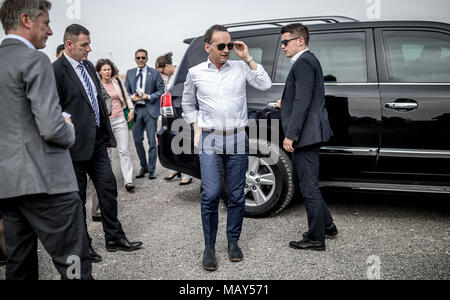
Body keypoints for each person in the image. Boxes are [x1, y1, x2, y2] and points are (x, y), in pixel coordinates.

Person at [0, 0, 92, 279]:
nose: (50, 31)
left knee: (19, 262)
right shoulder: (34, 60)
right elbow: (52, 128)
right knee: (73, 261)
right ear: (27, 20)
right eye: (47, 23)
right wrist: (69, 127)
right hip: (47, 182)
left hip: (7, 184)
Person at [182, 25, 272, 271]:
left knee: (235, 194)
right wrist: (196, 127)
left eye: (229, 45)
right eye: (221, 46)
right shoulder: (195, 72)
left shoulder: (241, 67)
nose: (226, 50)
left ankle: (233, 241)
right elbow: (187, 102)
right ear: (207, 46)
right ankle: (209, 247)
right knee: (210, 194)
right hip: (210, 139)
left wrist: (248, 57)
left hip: (237, 138)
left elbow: (265, 84)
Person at [53, 24, 143, 263]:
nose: (89, 49)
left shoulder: (88, 68)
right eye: (84, 45)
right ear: (69, 44)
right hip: (73, 148)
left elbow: (98, 102)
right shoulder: (56, 70)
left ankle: (114, 238)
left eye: (89, 44)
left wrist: (106, 136)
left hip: (98, 143)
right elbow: (53, 107)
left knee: (108, 189)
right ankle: (84, 247)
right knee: (78, 199)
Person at [279, 23, 337, 251]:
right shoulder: (309, 60)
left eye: (286, 41)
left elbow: (303, 103)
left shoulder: (303, 62)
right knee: (307, 183)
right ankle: (328, 226)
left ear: (300, 41)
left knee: (308, 186)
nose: (282, 46)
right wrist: (284, 103)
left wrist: (290, 135)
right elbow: (306, 98)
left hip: (305, 135)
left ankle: (316, 238)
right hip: (311, 132)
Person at [125, 49, 165, 180]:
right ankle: (144, 166)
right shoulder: (130, 73)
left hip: (150, 110)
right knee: (137, 140)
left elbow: (161, 90)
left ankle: (152, 169)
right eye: (138, 58)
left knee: (152, 141)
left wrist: (148, 96)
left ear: (147, 59)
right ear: (135, 59)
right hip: (136, 110)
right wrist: (131, 98)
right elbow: (125, 91)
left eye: (143, 58)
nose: (140, 60)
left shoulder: (154, 73)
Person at [96, 59, 135, 192]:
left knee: (124, 151)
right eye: (104, 69)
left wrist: (131, 109)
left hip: (120, 119)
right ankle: (108, 181)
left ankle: (128, 181)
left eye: (109, 69)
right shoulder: (97, 84)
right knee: (107, 153)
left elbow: (126, 96)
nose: (107, 71)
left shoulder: (117, 81)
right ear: (99, 72)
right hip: (105, 123)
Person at [156, 52, 192, 185]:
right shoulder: (172, 77)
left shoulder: (181, 75)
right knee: (174, 141)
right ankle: (176, 169)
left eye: (162, 71)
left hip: (182, 112)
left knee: (184, 141)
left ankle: (186, 174)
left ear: (167, 66)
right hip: (172, 113)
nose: (163, 74)